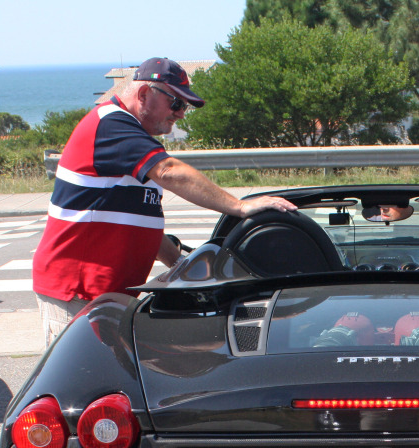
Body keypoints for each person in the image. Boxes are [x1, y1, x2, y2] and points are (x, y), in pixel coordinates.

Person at [32, 57, 297, 345]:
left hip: (107, 296)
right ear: (144, 94)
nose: (181, 114)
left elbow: (136, 222)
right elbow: (170, 171)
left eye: (184, 106)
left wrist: (182, 264)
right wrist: (241, 206)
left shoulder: (131, 138)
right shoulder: (111, 124)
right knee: (83, 385)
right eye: (176, 103)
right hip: (78, 293)